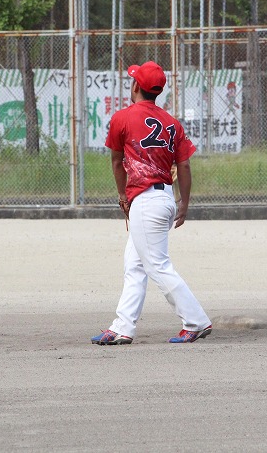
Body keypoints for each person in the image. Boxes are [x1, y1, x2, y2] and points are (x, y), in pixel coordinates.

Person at [92, 61, 212, 345]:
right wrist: (183, 203)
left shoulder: (122, 117)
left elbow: (116, 162)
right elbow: (184, 166)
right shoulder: (172, 123)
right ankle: (122, 327)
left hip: (145, 202)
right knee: (134, 265)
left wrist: (122, 195)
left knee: (157, 265)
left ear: (135, 85)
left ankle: (196, 321)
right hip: (164, 198)